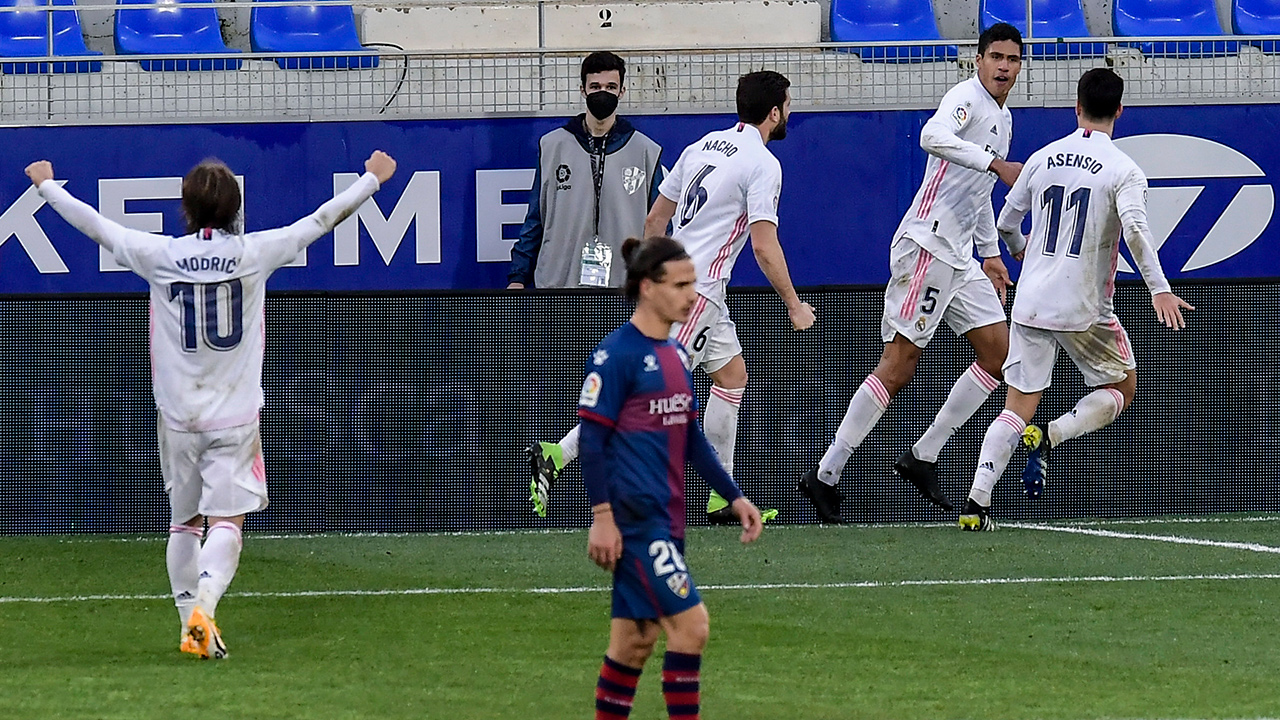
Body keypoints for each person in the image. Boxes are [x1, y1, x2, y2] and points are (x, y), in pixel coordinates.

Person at [24, 150, 397, 658]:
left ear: (186, 208)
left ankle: (189, 624)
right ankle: (205, 602)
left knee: (183, 523)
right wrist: (371, 180)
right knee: (226, 523)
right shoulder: (254, 253)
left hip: (177, 417)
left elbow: (97, 227)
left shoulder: (159, 255)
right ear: (235, 208)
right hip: (236, 417)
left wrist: (48, 186)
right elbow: (320, 221)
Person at [529, 70, 814, 525]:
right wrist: (794, 305)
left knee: (732, 377)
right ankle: (557, 454)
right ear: (774, 111)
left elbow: (655, 220)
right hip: (697, 293)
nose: (790, 112)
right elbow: (763, 244)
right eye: (789, 104)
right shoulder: (763, 163)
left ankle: (723, 496)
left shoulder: (701, 146)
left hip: (690, 287)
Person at [799, 23, 1025, 523]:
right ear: (978, 60)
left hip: (961, 255)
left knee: (999, 353)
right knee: (899, 365)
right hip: (927, 244)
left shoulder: (1003, 118)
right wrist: (994, 164)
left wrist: (990, 253)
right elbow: (931, 135)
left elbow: (977, 193)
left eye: (1012, 58)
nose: (1004, 66)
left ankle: (923, 456)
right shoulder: (964, 97)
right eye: (996, 57)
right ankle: (826, 474)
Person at [957, 68, 1193, 530]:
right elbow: (1136, 230)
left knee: (1016, 403)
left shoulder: (1042, 159)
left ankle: (976, 505)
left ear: (1076, 107)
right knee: (1123, 385)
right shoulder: (1124, 169)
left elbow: (1006, 223)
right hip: (1083, 306)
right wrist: (1159, 289)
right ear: (1120, 110)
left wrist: (1025, 255)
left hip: (1030, 301)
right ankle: (1051, 435)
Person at [581, 234, 763, 720]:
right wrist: (602, 517)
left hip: (667, 520)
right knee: (692, 627)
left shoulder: (678, 355)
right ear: (646, 288)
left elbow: (692, 439)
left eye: (693, 284)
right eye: (680, 285)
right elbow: (592, 442)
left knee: (633, 644)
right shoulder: (615, 355)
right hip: (637, 523)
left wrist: (734, 495)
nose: (691, 295)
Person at [507, 51, 664, 290]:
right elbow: (536, 219)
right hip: (559, 284)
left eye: (611, 87)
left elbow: (660, 226)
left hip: (623, 288)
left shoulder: (646, 151)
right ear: (583, 90)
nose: (603, 93)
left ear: (622, 91)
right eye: (595, 86)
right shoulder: (552, 146)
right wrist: (518, 277)